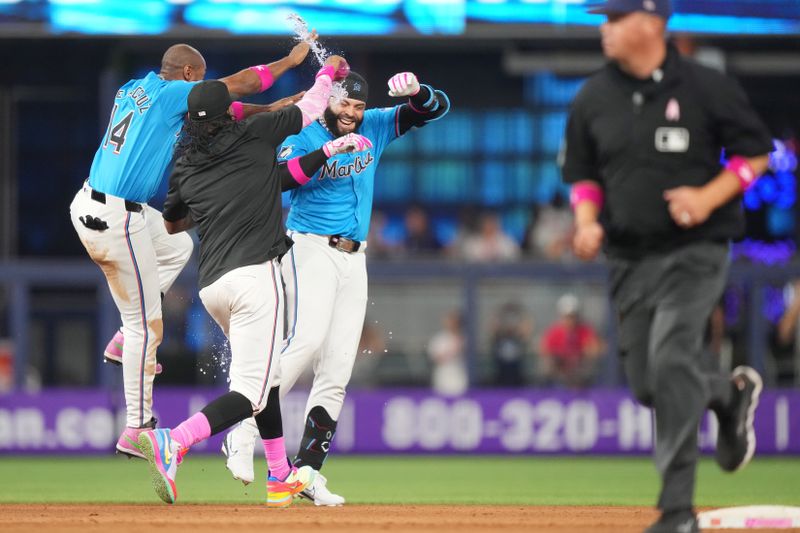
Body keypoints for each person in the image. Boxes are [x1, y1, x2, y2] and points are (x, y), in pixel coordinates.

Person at [562, 1, 771, 531]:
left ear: (653, 21)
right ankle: (728, 394)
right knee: (649, 385)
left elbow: (754, 155)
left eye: (616, 17)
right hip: (629, 257)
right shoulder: (592, 97)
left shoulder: (705, 86)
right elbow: (583, 176)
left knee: (674, 354)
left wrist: (709, 196)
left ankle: (678, 512)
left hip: (695, 249)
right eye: (603, 18)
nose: (604, 27)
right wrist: (586, 221)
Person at [137, 58, 373, 506]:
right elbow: (309, 109)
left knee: (265, 382)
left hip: (213, 287)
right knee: (251, 390)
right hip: (254, 281)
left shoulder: (186, 165)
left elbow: (172, 223)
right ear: (230, 112)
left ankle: (280, 474)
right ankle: (177, 440)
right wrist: (327, 74)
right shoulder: (253, 136)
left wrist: (323, 154)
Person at [69, 42, 312, 459]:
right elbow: (238, 86)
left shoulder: (133, 88)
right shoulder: (172, 94)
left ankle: (125, 339)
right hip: (116, 218)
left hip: (95, 204)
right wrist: (289, 62)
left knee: (178, 243)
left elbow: (218, 110)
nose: (201, 87)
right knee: (147, 326)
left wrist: (269, 111)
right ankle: (137, 426)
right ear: (186, 75)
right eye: (198, 79)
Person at [221, 70, 451, 505]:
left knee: (339, 368)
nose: (351, 113)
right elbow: (281, 178)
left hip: (354, 256)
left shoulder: (374, 125)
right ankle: (243, 431)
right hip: (310, 247)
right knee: (303, 343)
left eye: (358, 106)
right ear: (328, 100)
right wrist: (326, 153)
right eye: (345, 104)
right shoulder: (307, 130)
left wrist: (420, 92)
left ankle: (306, 472)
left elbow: (435, 110)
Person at [539, 294, 603, 389]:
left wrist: (584, 354)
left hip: (581, 374)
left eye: (572, 316)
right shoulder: (554, 332)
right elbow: (544, 351)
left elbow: (596, 348)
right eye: (567, 317)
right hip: (560, 376)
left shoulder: (585, 330)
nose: (570, 320)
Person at [490, 301, 532, 387]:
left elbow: (527, 327)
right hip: (501, 377)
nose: (510, 326)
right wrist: (502, 310)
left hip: (517, 377)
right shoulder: (499, 338)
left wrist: (518, 310)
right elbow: (493, 326)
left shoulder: (518, 338)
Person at [427, 311, 468, 396]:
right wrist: (452, 350)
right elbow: (436, 358)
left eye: (455, 322)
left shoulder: (464, 338)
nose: (452, 324)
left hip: (459, 375)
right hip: (444, 376)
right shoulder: (439, 339)